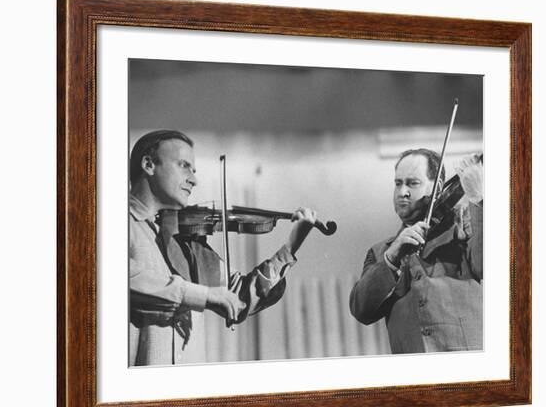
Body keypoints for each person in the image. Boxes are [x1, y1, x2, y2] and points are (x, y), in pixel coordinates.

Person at [129, 129, 317, 366]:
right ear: (148, 164)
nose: (194, 179)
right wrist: (204, 295)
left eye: (194, 170)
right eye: (184, 165)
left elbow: (237, 298)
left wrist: (291, 246)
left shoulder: (183, 240)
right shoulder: (109, 223)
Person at [349, 148, 483, 354]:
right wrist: (392, 257)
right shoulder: (380, 252)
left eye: (413, 183)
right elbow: (361, 310)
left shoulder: (465, 226)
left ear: (437, 188)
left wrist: (480, 201)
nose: (403, 192)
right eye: (398, 183)